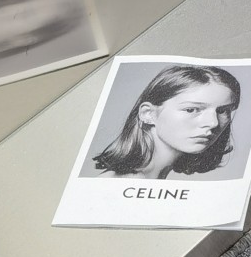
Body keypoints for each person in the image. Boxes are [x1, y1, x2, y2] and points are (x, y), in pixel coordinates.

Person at [90, 63, 241, 178]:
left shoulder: (151, 178)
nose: (213, 123)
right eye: (191, 109)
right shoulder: (117, 182)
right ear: (148, 114)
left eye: (223, 111)